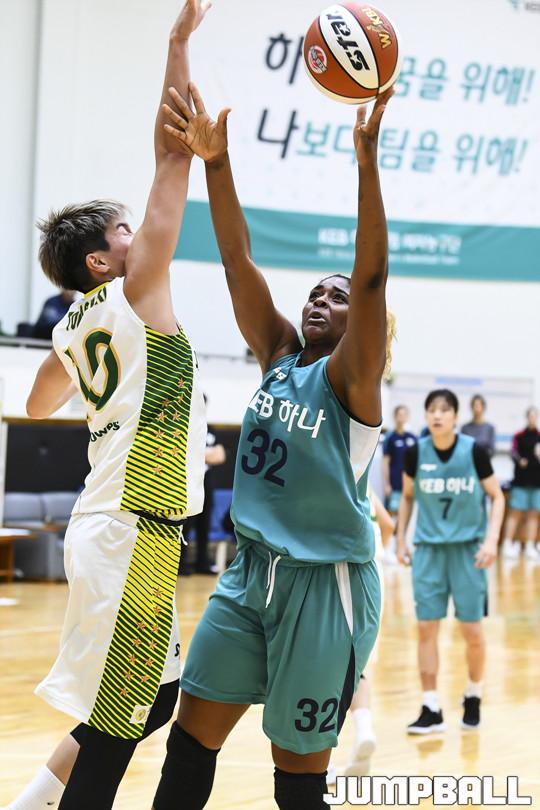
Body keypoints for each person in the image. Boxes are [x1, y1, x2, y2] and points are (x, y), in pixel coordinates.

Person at [151, 85, 394, 810]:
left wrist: (367, 163)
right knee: (190, 740)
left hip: (326, 587)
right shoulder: (280, 356)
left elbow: (372, 277)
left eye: (338, 298)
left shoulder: (353, 381)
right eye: (316, 292)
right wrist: (216, 164)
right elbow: (237, 260)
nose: (322, 300)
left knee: (297, 779)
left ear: (363, 325)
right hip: (250, 573)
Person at [2, 4, 209, 810]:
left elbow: (34, 401)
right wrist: (177, 44)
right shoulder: (136, 290)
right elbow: (173, 151)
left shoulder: (70, 325)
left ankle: (30, 801)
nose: (140, 232)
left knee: (145, 703)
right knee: (127, 717)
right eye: (126, 228)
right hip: (130, 526)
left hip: (122, 523)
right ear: (101, 259)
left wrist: (88, 375)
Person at [396, 389, 505, 734]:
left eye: (444, 410)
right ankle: (431, 706)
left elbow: (497, 496)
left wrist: (491, 540)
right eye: (431, 410)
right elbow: (407, 497)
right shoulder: (416, 452)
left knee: (472, 630)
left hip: (468, 551)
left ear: (456, 417)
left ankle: (473, 693)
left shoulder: (474, 451)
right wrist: (399, 537)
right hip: (429, 550)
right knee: (426, 628)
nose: (437, 415)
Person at [327, 487, 394, 785]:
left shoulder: (329, 480)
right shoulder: (365, 484)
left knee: (325, 672)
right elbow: (388, 525)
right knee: (357, 668)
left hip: (339, 572)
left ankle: (322, 760)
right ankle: (364, 729)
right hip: (374, 574)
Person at [181, 416, 227, 575]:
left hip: (206, 481)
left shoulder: (210, 428)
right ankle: (181, 564)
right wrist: (206, 453)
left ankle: (203, 563)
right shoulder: (186, 424)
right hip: (188, 480)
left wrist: (198, 452)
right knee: (185, 524)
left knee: (204, 524)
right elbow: (184, 452)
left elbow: (220, 456)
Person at [500, 406, 540, 561]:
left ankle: (530, 545)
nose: (532, 418)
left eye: (534, 416)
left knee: (533, 514)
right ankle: (507, 543)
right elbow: (513, 452)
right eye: (530, 416)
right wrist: (520, 461)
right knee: (515, 512)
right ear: (527, 417)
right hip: (520, 482)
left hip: (537, 482)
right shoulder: (519, 436)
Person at [383, 405, 416, 514]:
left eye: (404, 414)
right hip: (395, 483)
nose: (402, 417)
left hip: (409, 483)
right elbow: (385, 462)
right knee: (393, 512)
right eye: (399, 414)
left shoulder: (412, 437)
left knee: (407, 513)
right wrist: (387, 484)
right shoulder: (390, 437)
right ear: (395, 417)